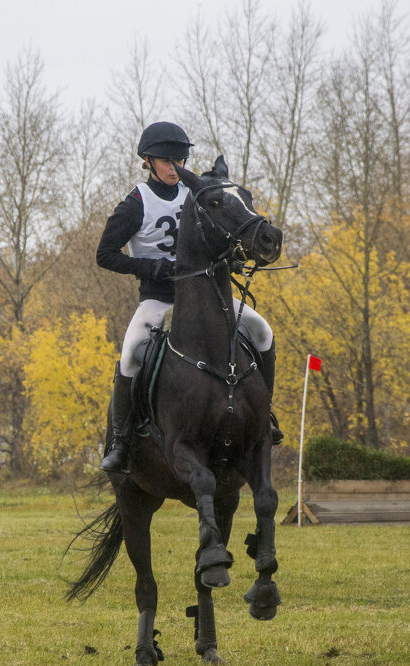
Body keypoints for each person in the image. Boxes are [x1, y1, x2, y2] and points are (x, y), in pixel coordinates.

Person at [96, 121, 282, 473]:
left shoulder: (197, 193)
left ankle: (264, 414)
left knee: (262, 333)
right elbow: (104, 255)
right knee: (130, 356)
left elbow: (222, 235)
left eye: (180, 160)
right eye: (167, 161)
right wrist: (151, 267)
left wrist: (236, 258)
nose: (175, 168)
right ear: (148, 162)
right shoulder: (136, 203)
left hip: (208, 297)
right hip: (159, 298)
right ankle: (120, 440)